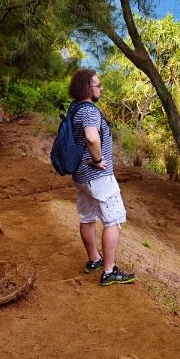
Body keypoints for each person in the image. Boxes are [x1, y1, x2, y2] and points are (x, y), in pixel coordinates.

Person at [67, 69, 135, 286]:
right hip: (98, 176)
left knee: (87, 218)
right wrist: (97, 160)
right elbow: (91, 137)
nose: (101, 89)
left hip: (80, 176)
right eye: (98, 85)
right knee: (113, 220)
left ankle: (94, 259)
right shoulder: (89, 111)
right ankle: (109, 271)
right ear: (88, 88)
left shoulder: (74, 108)